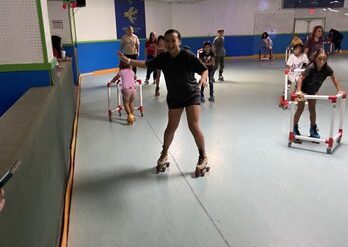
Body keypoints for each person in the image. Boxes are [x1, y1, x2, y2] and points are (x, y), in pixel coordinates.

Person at [118, 29, 210, 177]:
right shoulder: (163, 58)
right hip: (175, 97)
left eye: (173, 40)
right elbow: (146, 64)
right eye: (167, 41)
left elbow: (203, 69)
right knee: (171, 127)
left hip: (191, 94)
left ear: (179, 41)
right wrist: (129, 61)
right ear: (164, 43)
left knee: (193, 125)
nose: (170, 43)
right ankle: (164, 153)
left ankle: (203, 156)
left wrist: (204, 79)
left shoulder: (186, 55)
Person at [293, 51, 345, 141]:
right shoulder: (311, 67)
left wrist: (339, 90)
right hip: (303, 90)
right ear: (315, 59)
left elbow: (334, 78)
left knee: (312, 109)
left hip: (312, 91)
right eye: (319, 59)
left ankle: (313, 130)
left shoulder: (326, 68)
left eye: (324, 59)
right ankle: (294, 129)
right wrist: (298, 91)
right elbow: (301, 77)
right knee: (300, 108)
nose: (322, 61)